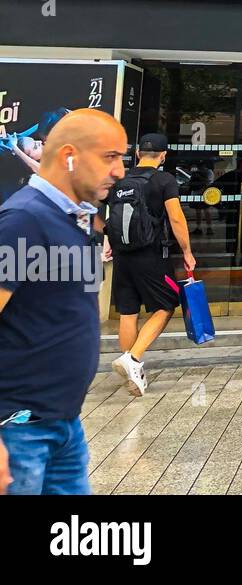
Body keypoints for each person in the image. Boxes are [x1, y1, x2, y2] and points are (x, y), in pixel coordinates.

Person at [0, 108, 127, 495]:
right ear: (69, 155)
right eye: (110, 157)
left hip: (64, 425)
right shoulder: (23, 220)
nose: (120, 171)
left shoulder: (73, 220)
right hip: (18, 430)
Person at [104, 134, 196, 397]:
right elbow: (176, 218)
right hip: (152, 255)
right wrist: (187, 250)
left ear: (137, 155)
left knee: (128, 311)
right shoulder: (164, 180)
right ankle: (132, 359)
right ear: (163, 155)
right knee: (166, 304)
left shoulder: (120, 179)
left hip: (123, 255)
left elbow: (102, 212)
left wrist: (107, 239)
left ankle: (130, 368)